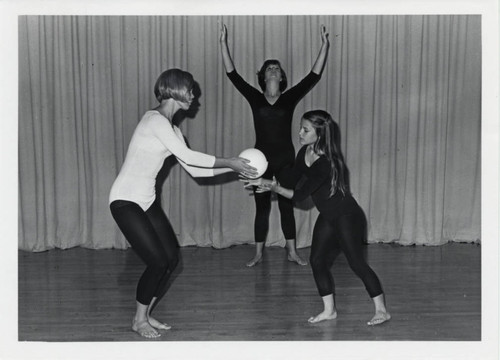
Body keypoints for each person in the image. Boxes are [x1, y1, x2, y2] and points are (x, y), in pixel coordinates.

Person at [109, 68, 257, 338]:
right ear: (175, 89)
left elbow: (195, 169)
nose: (194, 96)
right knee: (156, 261)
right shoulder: (153, 120)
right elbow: (188, 156)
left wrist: (233, 168)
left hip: (146, 200)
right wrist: (229, 161)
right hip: (125, 200)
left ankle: (145, 315)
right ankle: (138, 320)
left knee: (171, 259)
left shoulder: (173, 130)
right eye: (189, 90)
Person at [246, 110, 391, 325]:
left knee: (357, 263)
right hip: (329, 216)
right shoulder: (304, 151)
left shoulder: (327, 162)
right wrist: (264, 182)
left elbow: (300, 195)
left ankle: (382, 310)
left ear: (320, 133)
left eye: (305, 130)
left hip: (347, 216)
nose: (300, 133)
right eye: (300, 128)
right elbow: (291, 177)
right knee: (317, 261)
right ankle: (329, 310)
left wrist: (273, 187)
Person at [220, 23, 330, 267]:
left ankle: (291, 251)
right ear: (263, 76)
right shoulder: (255, 97)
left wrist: (324, 45)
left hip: (285, 160)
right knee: (261, 207)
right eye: (268, 68)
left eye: (276, 68)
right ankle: (258, 253)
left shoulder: (289, 97)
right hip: (260, 160)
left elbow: (313, 75)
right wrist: (223, 43)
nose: (272, 69)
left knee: (285, 205)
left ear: (281, 77)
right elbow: (233, 75)